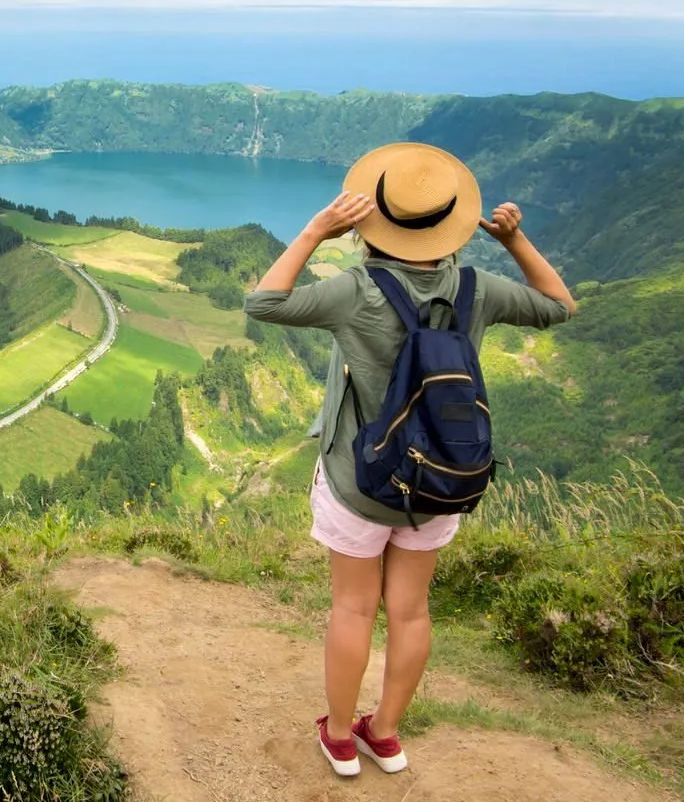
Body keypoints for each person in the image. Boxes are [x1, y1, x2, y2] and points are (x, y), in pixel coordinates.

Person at [244, 142, 576, 778]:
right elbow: (560, 307)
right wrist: (514, 242)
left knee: (352, 609)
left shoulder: (355, 292)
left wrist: (317, 230)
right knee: (411, 611)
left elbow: (264, 302)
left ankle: (341, 738)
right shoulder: (479, 290)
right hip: (439, 481)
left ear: (374, 221)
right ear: (450, 223)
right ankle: (387, 734)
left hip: (360, 483)